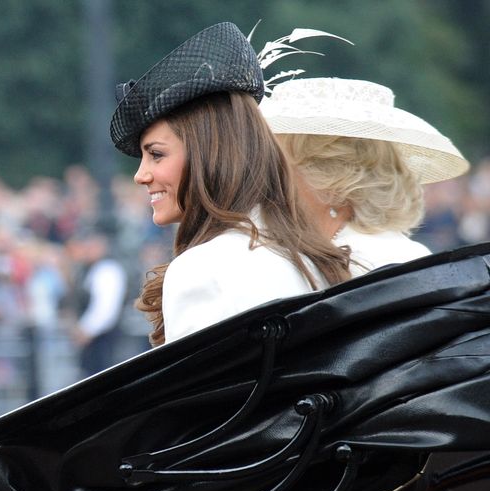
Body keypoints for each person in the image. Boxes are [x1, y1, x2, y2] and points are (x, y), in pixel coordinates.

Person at [111, 23, 406, 346]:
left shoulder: (202, 269)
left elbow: (203, 397)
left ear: (210, 154)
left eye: (156, 154)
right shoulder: (318, 257)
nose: (141, 175)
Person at [260, 76, 470, 262]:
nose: (270, 180)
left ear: (331, 180)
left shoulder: (351, 263)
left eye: (284, 167)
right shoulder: (405, 252)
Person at [66, 229, 127, 376]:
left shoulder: (108, 269)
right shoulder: (90, 269)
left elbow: (106, 308)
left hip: (102, 339)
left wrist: (86, 330)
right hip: (94, 340)